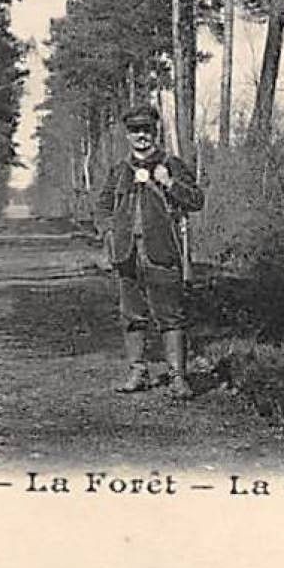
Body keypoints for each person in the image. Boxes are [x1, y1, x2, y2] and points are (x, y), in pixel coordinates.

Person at [95, 104, 205, 399]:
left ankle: (178, 378)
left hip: (163, 252)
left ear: (155, 131)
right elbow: (103, 206)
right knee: (132, 316)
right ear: (127, 135)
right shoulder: (119, 171)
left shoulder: (173, 164)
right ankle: (137, 372)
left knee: (171, 317)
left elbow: (196, 200)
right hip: (127, 255)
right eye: (135, 130)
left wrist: (168, 182)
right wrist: (108, 232)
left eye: (146, 129)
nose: (141, 136)